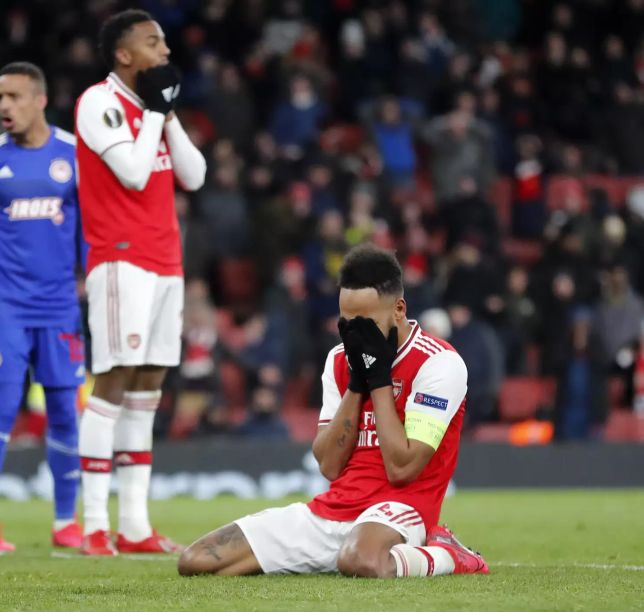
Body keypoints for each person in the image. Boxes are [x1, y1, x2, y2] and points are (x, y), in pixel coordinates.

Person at [177, 244, 488, 578]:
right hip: (334, 508)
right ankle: (343, 554)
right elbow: (329, 464)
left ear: (399, 309)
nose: (355, 332)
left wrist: (379, 378)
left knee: (362, 561)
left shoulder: (439, 363)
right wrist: (357, 382)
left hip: (400, 509)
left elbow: (402, 469)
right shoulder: (339, 359)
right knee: (199, 560)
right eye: (346, 321)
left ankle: (447, 554)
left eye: (366, 322)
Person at [73, 9, 206, 555]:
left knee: (147, 390)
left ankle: (134, 526)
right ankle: (93, 526)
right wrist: (156, 110)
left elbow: (194, 176)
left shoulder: (156, 107)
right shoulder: (97, 103)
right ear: (124, 55)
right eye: (154, 43)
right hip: (120, 260)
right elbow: (129, 170)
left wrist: (166, 114)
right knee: (113, 383)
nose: (166, 50)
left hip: (166, 261)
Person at [0, 62, 87, 553]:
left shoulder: (74, 155)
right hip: (5, 308)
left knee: (63, 413)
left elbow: (89, 233)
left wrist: (94, 286)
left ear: (39, 99)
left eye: (13, 96)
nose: (4, 106)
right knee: (2, 407)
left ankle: (64, 521)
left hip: (58, 309)